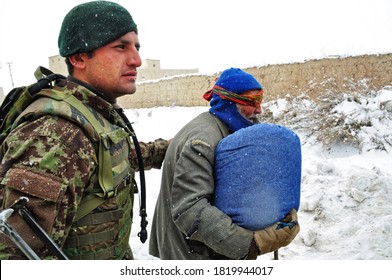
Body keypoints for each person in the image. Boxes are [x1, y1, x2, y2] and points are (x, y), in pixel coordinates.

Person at [0, 1, 168, 260]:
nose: (136, 60)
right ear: (79, 58)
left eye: (136, 47)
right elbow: (19, 259)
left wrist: (174, 147)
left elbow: (121, 156)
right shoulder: (56, 134)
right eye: (120, 47)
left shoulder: (93, 112)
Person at [149, 68, 300, 260]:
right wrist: (250, 244)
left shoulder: (227, 129)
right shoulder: (202, 140)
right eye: (251, 102)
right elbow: (190, 209)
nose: (259, 109)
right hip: (192, 254)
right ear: (228, 102)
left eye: (260, 101)